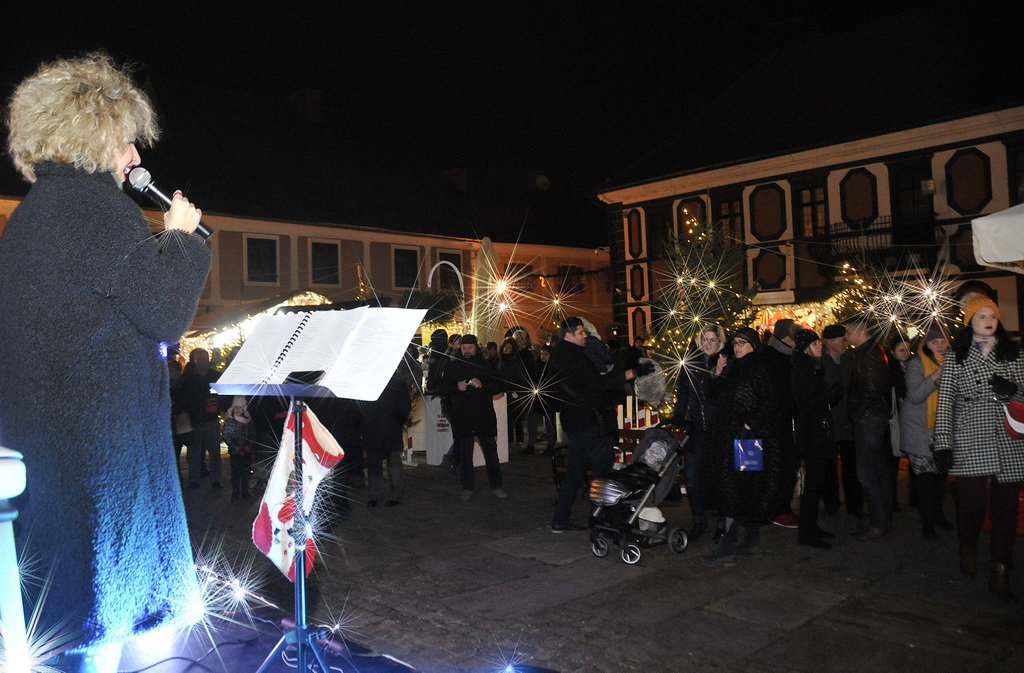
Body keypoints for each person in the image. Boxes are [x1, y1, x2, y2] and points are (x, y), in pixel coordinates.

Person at [0, 53, 210, 671]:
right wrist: (180, 237)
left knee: (62, 620)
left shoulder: (31, 216)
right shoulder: (99, 211)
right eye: (125, 141)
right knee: (97, 620)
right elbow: (164, 314)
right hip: (98, 460)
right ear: (91, 137)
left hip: (50, 454)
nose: (135, 155)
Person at [934, 296, 1024, 601]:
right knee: (972, 505)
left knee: (1006, 511)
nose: (988, 321)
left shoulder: (1014, 353)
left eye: (993, 316)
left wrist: (1014, 391)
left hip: (1008, 439)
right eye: (981, 316)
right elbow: (946, 401)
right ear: (969, 322)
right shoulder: (956, 356)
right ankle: (968, 545)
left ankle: (1001, 570)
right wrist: (943, 442)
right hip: (970, 437)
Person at [547, 317, 647, 532]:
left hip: (572, 421)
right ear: (569, 335)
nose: (585, 336)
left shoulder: (557, 355)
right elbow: (599, 384)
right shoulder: (574, 356)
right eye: (581, 332)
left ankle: (561, 520)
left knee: (575, 471)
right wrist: (631, 373)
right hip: (587, 421)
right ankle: (603, 521)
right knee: (603, 471)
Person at [699, 327, 781, 566]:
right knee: (738, 489)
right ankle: (750, 542)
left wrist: (750, 423)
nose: (737, 347)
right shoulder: (734, 366)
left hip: (747, 440)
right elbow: (715, 394)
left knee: (738, 490)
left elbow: (771, 401)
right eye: (734, 343)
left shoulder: (760, 367)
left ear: (753, 345)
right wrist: (717, 372)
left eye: (741, 343)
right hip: (729, 438)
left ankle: (728, 548)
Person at [671, 324, 728, 540]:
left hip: (718, 430)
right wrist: (679, 415)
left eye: (712, 339)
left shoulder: (725, 363)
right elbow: (683, 393)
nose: (707, 343)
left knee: (718, 477)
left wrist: (718, 373)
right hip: (695, 429)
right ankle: (698, 520)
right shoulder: (691, 364)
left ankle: (723, 522)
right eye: (704, 339)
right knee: (692, 476)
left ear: (720, 342)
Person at [900, 322, 953, 539]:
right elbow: (915, 396)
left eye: (943, 341)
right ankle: (928, 523)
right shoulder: (917, 363)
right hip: (919, 429)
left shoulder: (952, 361)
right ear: (926, 343)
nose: (939, 346)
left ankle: (937, 515)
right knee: (925, 480)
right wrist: (934, 377)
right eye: (934, 341)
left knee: (940, 477)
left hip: (943, 429)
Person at [790, 329, 841, 548]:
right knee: (813, 483)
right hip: (812, 434)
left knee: (817, 482)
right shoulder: (804, 369)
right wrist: (832, 393)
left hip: (816, 431)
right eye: (814, 343)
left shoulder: (812, 367)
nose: (820, 346)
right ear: (805, 348)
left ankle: (810, 526)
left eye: (819, 342)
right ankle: (806, 532)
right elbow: (807, 403)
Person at [440, 334, 508, 500]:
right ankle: (467, 487)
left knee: (491, 454)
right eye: (464, 348)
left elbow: (499, 385)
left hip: (484, 417)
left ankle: (497, 486)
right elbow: (442, 387)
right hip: (462, 417)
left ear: (476, 348)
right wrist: (456, 386)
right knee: (465, 456)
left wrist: (482, 384)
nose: (467, 351)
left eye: (469, 347)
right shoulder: (453, 365)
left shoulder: (486, 364)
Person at [845, 315, 894, 541]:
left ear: (858, 331)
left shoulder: (869, 353)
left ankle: (878, 523)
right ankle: (881, 517)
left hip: (869, 418)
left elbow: (872, 388)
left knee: (868, 471)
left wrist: (857, 412)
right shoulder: (871, 351)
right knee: (876, 469)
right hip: (871, 416)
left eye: (848, 331)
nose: (846, 336)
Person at [761, 318, 800, 529]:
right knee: (778, 466)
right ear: (787, 337)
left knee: (787, 465)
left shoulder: (788, 356)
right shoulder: (771, 357)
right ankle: (776, 508)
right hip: (774, 422)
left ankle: (781, 506)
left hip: (784, 420)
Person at [821, 323, 862, 518]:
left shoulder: (849, 360)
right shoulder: (820, 363)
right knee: (828, 465)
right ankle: (831, 503)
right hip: (829, 421)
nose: (845, 343)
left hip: (847, 420)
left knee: (851, 466)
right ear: (829, 342)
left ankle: (855, 504)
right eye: (841, 340)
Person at [361, 369, 412, 507]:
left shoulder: (397, 380)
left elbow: (404, 405)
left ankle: (393, 494)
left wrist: (396, 421)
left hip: (388, 426)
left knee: (391, 461)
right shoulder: (369, 378)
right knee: (375, 463)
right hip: (375, 427)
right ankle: (376, 495)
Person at [182, 347, 224, 488]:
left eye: (204, 359)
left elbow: (223, 396)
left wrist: (217, 407)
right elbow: (186, 398)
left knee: (214, 451)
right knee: (194, 452)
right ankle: (194, 478)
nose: (202, 362)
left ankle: (215, 479)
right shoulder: (189, 378)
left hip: (211, 418)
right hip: (195, 419)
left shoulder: (215, 376)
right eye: (200, 360)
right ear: (195, 361)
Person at [887, 334, 912, 513]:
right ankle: (892, 500)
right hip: (895, 418)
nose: (906, 353)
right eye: (901, 350)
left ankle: (913, 498)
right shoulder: (891, 370)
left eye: (908, 350)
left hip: (909, 418)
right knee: (892, 462)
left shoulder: (912, 366)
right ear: (893, 352)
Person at [498, 337, 533, 453]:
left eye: (508, 348)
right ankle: (509, 439)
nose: (506, 349)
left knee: (516, 417)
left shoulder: (515, 362)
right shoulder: (502, 361)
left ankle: (519, 439)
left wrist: (516, 392)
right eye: (505, 347)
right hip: (505, 393)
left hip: (513, 393)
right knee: (507, 417)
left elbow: (520, 378)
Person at [223, 396, 256, 500]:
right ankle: (236, 491)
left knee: (246, 472)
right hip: (235, 452)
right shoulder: (230, 422)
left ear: (244, 409)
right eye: (236, 407)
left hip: (247, 451)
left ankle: (245, 491)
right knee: (236, 472)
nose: (238, 409)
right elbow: (226, 435)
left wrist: (249, 446)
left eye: (240, 407)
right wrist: (235, 446)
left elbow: (253, 434)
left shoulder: (248, 422)